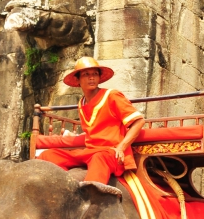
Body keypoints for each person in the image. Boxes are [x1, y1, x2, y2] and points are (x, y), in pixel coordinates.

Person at [36, 57, 146, 185]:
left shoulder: (112, 95)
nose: (91, 78)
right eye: (86, 74)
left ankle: (91, 195)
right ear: (78, 80)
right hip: (90, 151)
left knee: (99, 158)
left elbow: (139, 121)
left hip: (110, 153)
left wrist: (121, 147)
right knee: (47, 155)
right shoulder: (81, 103)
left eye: (95, 74)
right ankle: (65, 185)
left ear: (99, 78)